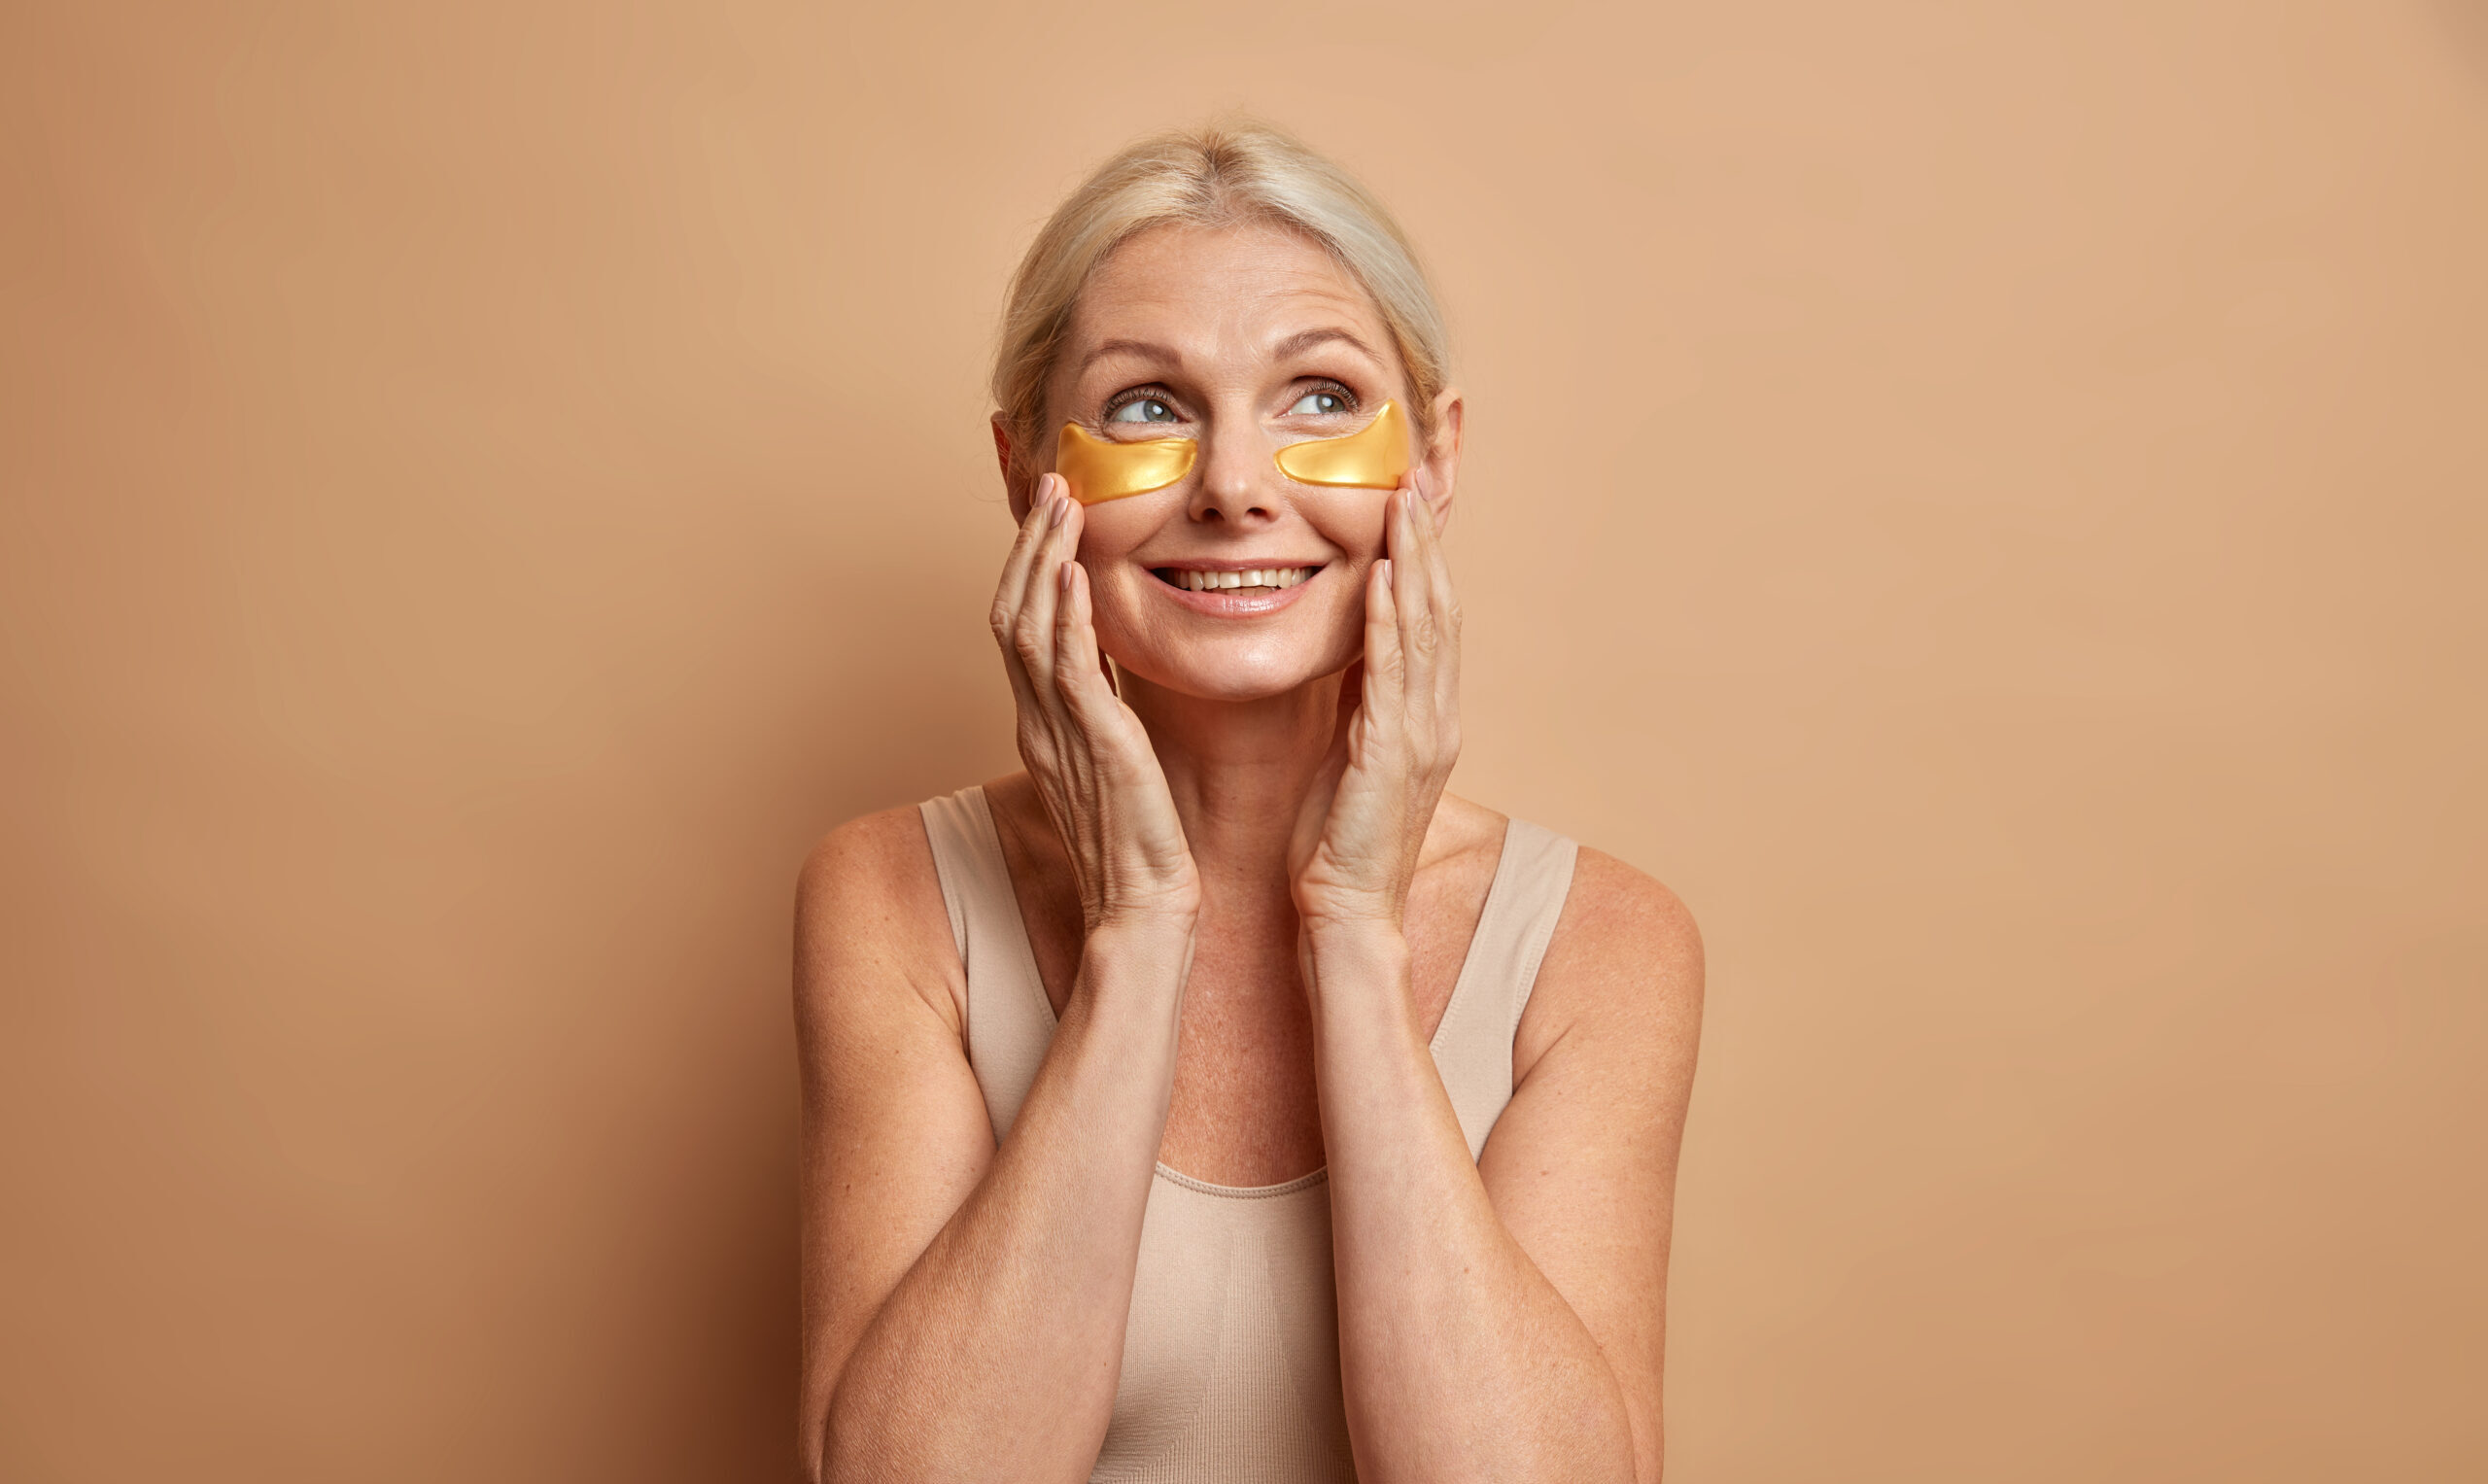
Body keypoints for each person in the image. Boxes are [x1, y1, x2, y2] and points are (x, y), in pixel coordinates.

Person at [794, 121, 1704, 1484]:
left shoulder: (1602, 947)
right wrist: (1139, 928)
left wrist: (1352, 930)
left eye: (1322, 400)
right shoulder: (892, 899)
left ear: (1436, 459)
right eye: (1149, 406)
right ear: (1023, 468)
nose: (1233, 489)